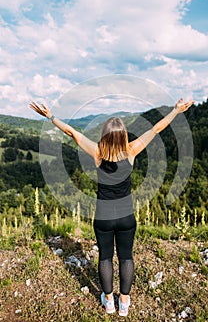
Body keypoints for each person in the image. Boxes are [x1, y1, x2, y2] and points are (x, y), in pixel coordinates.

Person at [29, 97, 194, 317]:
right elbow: (156, 129)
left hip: (103, 217)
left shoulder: (98, 153)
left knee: (105, 257)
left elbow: (71, 132)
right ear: (124, 136)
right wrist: (175, 111)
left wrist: (50, 116)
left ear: (104, 136)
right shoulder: (132, 150)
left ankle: (108, 300)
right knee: (126, 257)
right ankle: (123, 302)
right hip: (126, 217)